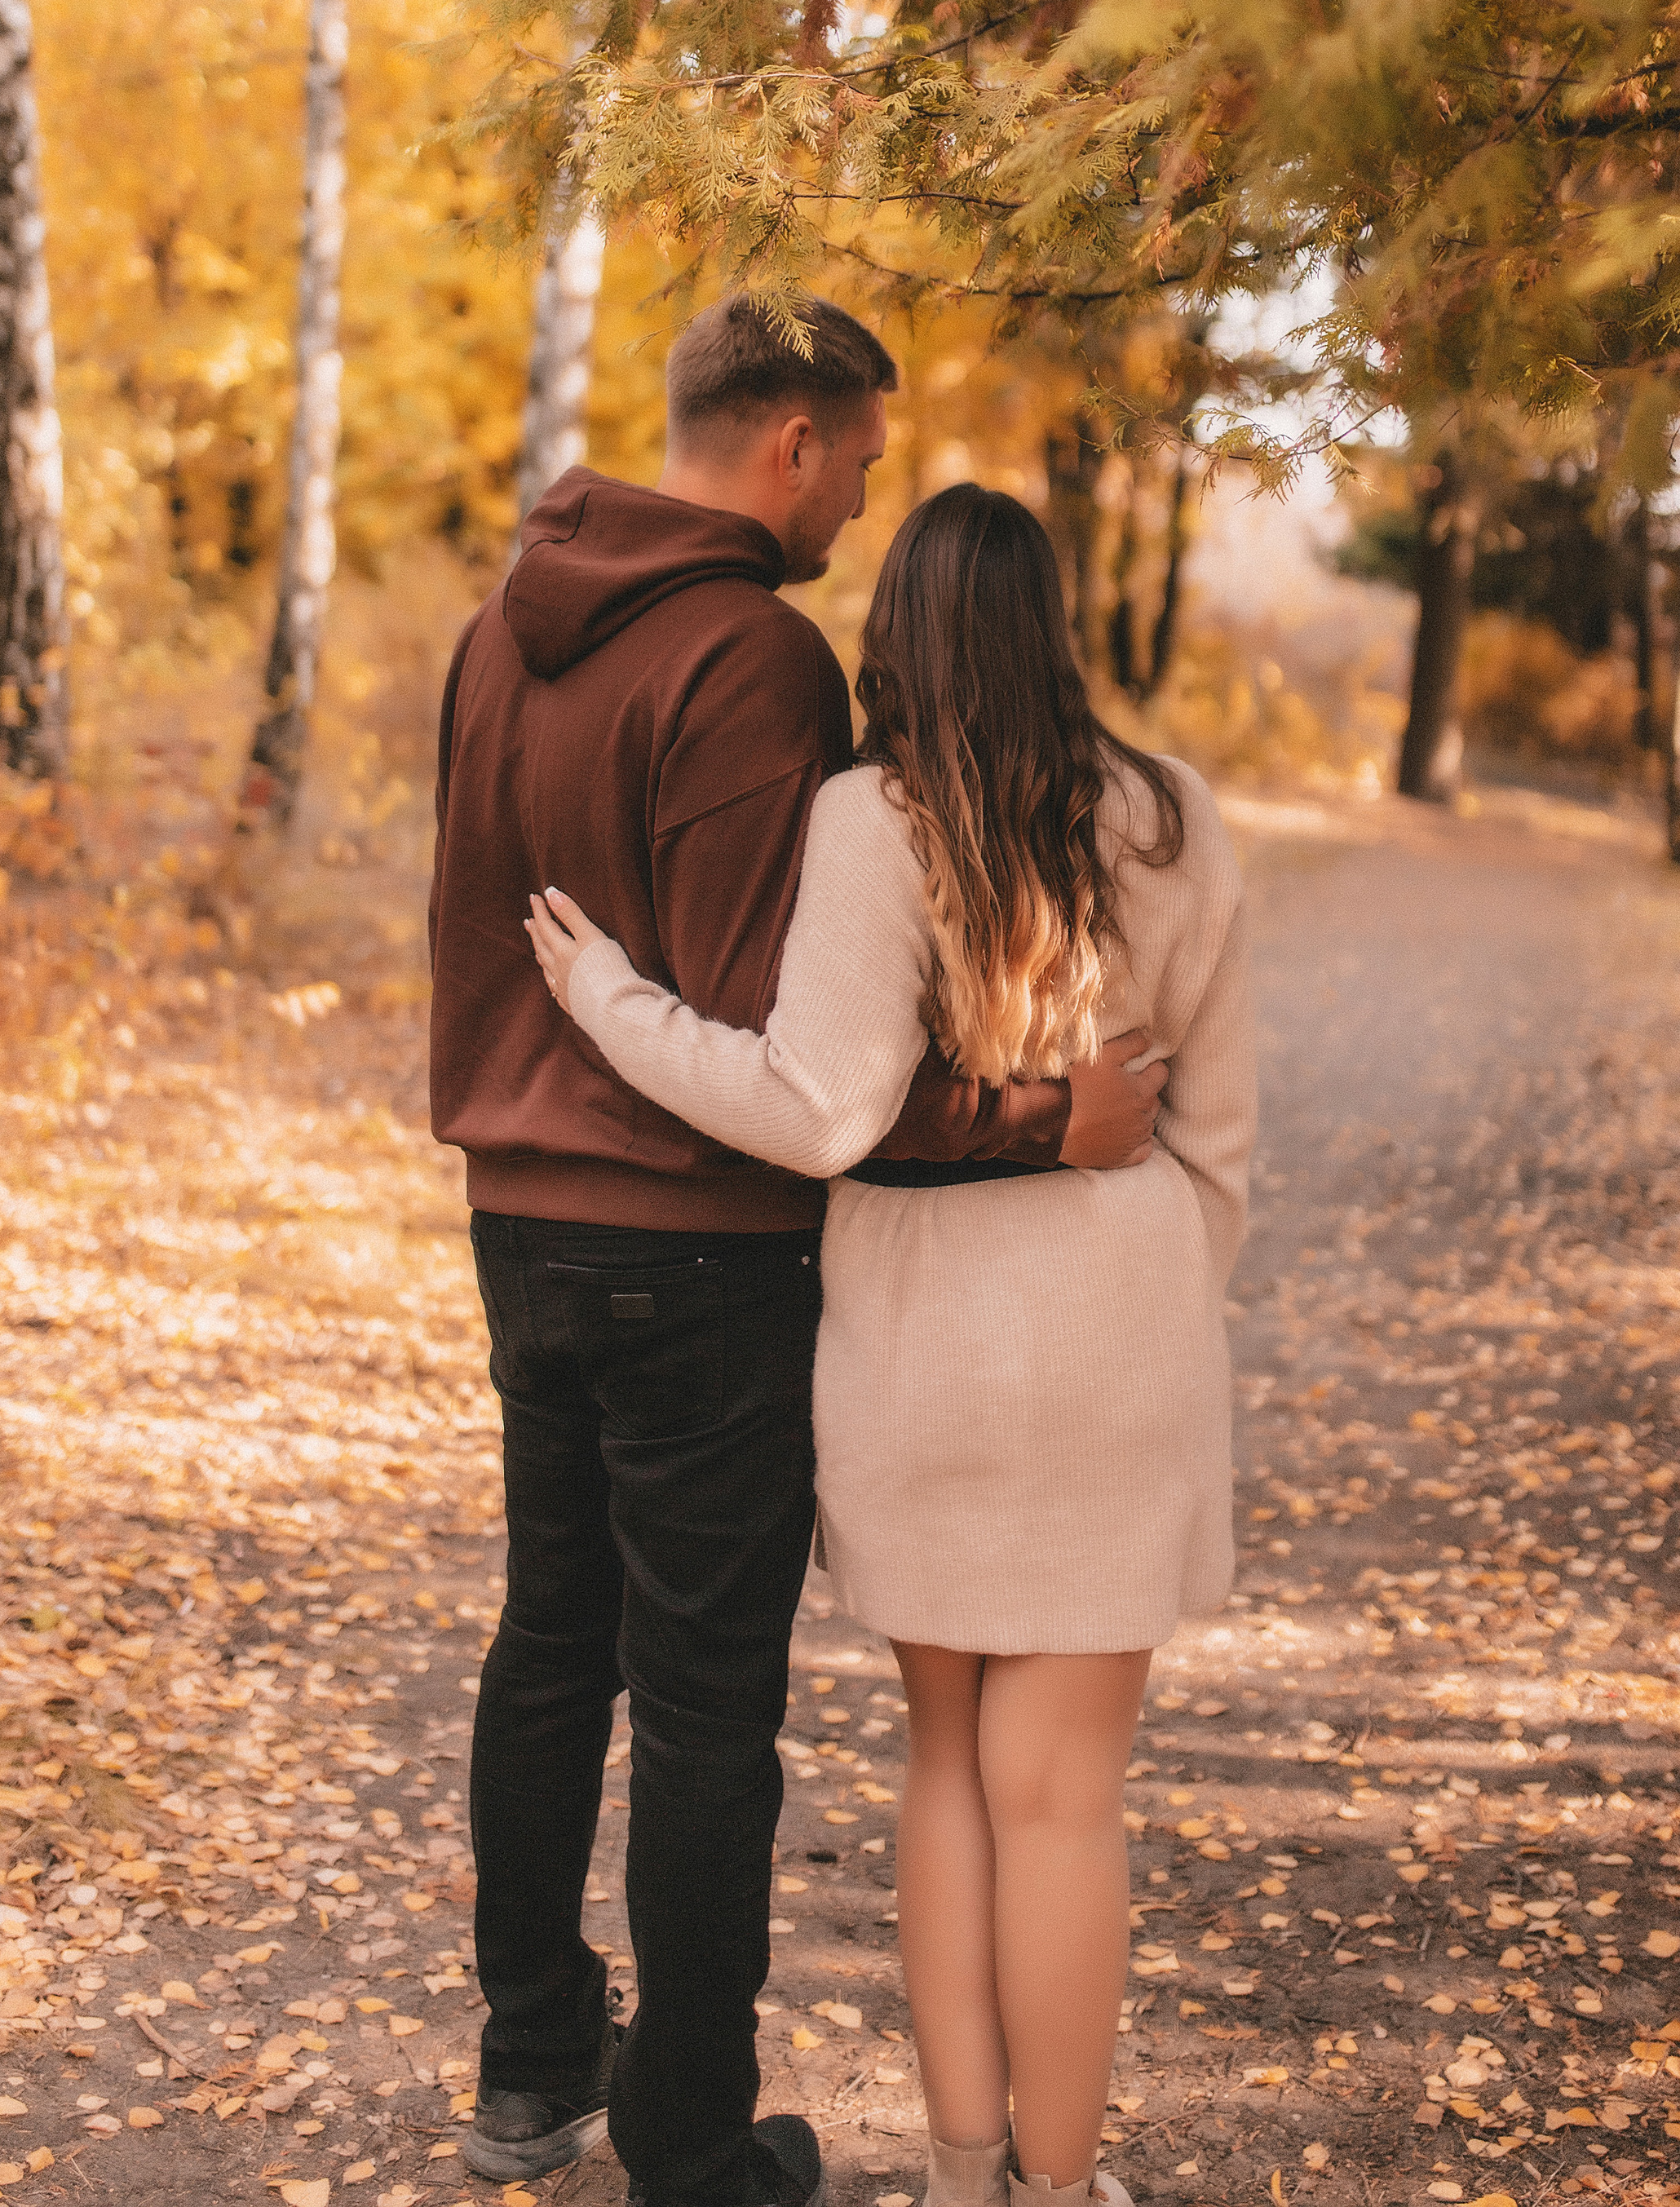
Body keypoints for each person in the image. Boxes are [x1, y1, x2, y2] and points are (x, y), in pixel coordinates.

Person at [428, 303, 1166, 2207]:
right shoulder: (752, 657)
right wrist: (1032, 1124)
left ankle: (527, 2066)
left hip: (518, 1222)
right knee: (695, 1707)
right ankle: (684, 2134)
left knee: (546, 1646)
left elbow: (488, 950)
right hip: (697, 1260)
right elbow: (807, 1071)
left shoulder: (494, 640)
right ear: (779, 444)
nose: (850, 496)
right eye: (845, 456)